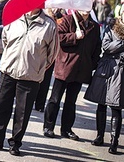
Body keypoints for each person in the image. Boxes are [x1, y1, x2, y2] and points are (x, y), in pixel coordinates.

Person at [0, 8, 58, 156]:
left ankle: (15, 143)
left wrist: (37, 67)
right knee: (0, 106)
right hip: (8, 71)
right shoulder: (14, 16)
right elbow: (5, 40)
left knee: (22, 112)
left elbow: (52, 54)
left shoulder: (49, 25)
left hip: (30, 75)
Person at [85, 2, 124, 154]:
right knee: (101, 104)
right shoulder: (112, 26)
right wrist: (123, 44)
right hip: (107, 69)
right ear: (121, 14)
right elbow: (106, 45)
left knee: (116, 108)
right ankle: (99, 136)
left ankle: (114, 141)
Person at [43, 10, 101, 141]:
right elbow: (58, 37)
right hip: (65, 66)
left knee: (71, 101)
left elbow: (97, 46)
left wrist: (92, 64)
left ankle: (66, 129)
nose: (85, 9)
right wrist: (74, 36)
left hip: (81, 69)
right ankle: (48, 126)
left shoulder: (94, 26)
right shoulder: (68, 19)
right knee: (55, 98)